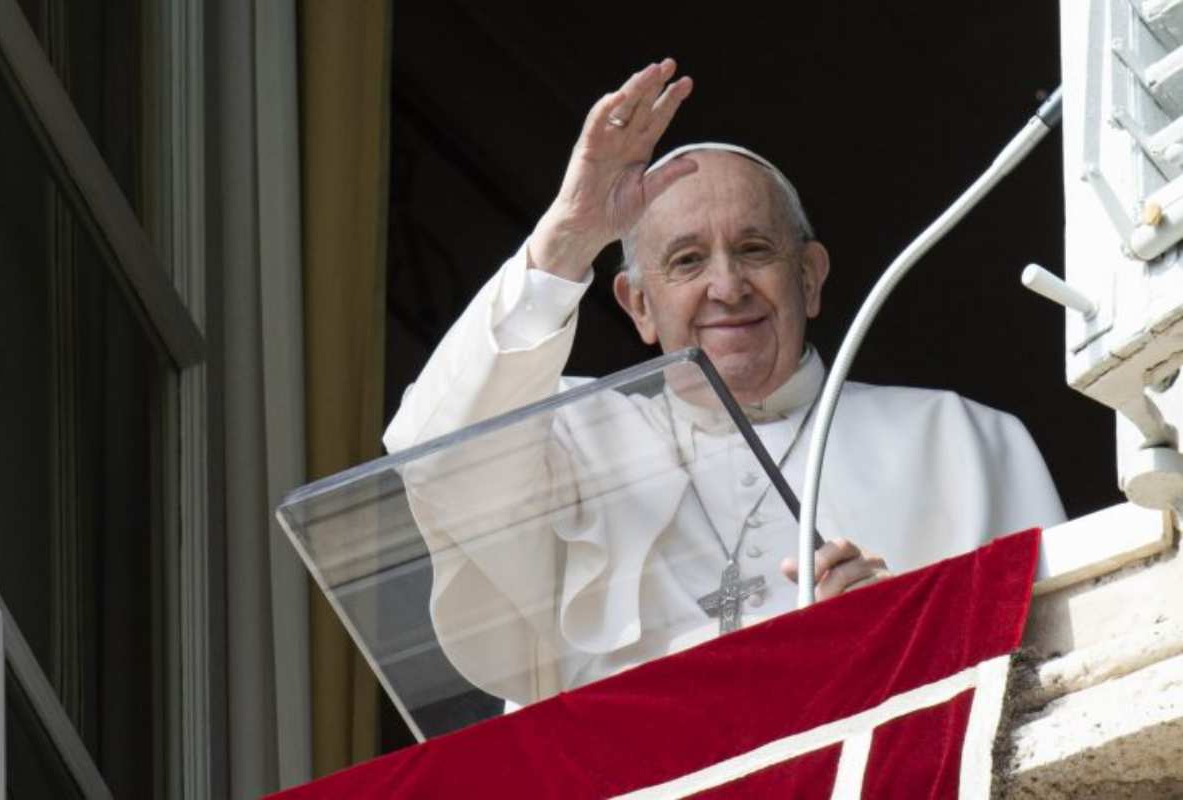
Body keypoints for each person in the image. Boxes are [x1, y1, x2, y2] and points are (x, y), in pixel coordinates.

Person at [384, 59, 1065, 706]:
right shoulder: (577, 445)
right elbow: (435, 454)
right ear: (638, 306)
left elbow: (1059, 671)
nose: (726, 286)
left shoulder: (961, 439)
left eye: (753, 249)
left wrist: (905, 640)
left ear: (809, 277)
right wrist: (565, 240)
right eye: (685, 261)